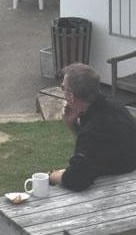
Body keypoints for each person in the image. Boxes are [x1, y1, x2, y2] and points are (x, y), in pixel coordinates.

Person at [49, 63, 136, 191]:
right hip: (125, 169)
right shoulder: (112, 105)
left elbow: (76, 180)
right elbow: (93, 149)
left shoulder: (93, 129)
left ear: (71, 96)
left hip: (120, 188)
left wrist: (51, 176)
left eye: (64, 89)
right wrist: (71, 124)